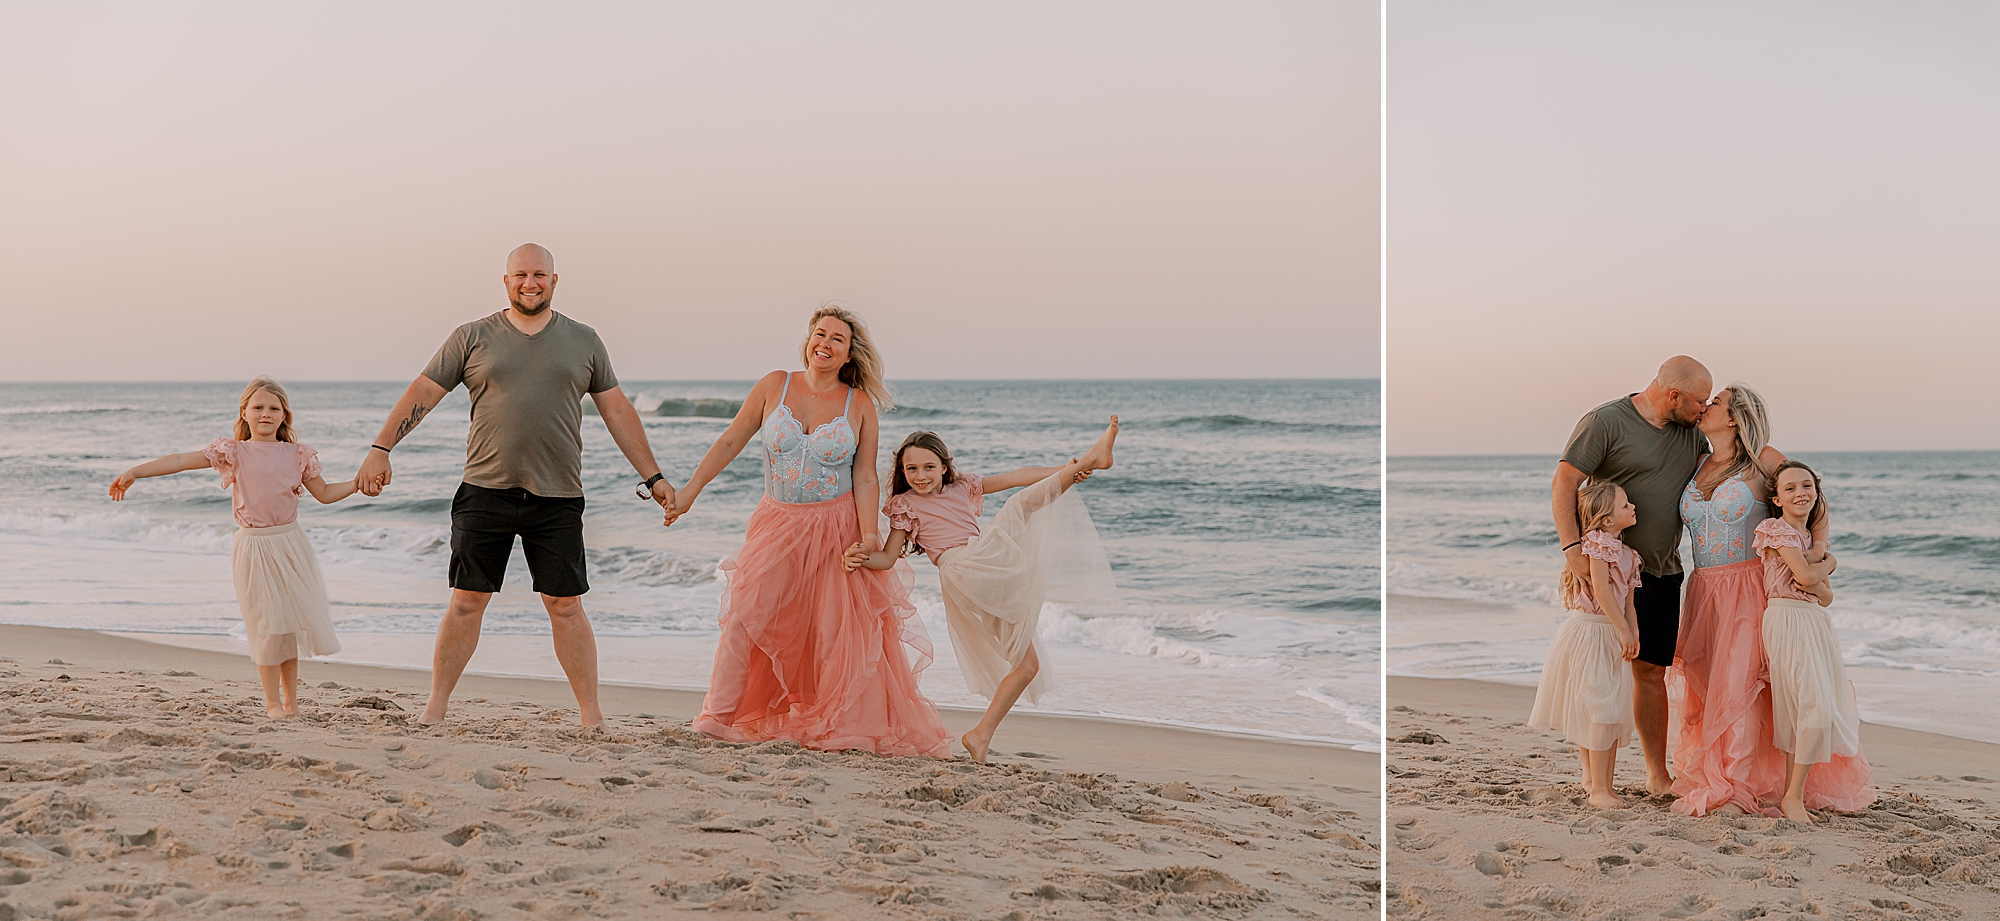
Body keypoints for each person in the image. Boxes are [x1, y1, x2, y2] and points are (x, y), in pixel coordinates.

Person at [355, 243, 675, 727]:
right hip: (485, 489)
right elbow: (423, 391)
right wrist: (382, 448)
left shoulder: (584, 340)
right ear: (506, 281)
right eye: (521, 274)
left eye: (540, 275)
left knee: (565, 605)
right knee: (466, 601)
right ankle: (435, 708)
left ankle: (592, 717)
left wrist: (653, 477)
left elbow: (617, 411)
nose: (531, 282)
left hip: (559, 495)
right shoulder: (472, 336)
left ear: (555, 280)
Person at [669, 306, 951, 757]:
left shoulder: (857, 405)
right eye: (820, 334)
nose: (825, 343)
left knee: (835, 630)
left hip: (836, 529)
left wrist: (869, 537)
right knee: (746, 616)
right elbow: (729, 441)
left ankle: (842, 725)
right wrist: (689, 493)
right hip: (776, 523)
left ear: (848, 354)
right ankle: (719, 717)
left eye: (837, 339)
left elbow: (865, 476)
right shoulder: (773, 385)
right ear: (808, 340)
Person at [844, 419, 1120, 761]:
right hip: (962, 568)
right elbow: (886, 558)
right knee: (1019, 509)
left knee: (1027, 666)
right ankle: (1093, 459)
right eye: (911, 468)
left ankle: (980, 735)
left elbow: (1017, 476)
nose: (921, 475)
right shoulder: (905, 504)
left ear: (944, 467)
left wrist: (1066, 470)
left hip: (981, 571)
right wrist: (859, 559)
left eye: (929, 467)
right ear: (901, 471)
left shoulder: (963, 487)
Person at [108, 378, 355, 718]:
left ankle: (292, 704)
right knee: (267, 624)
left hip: (291, 544)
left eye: (273, 408)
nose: (265, 413)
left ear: (285, 415)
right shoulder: (234, 451)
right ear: (244, 413)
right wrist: (135, 471)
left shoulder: (297, 455)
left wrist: (358, 484)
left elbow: (325, 494)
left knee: (288, 626)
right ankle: (271, 704)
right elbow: (180, 460)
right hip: (254, 547)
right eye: (258, 407)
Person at [1552, 355, 1710, 795]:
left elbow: (1730, 460)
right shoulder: (1606, 421)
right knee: (1599, 678)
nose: (1704, 408)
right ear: (1674, 395)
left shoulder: (1693, 434)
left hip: (1662, 570)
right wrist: (1572, 552)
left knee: (1650, 673)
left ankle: (1657, 776)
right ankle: (1595, 779)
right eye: (1698, 401)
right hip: (1609, 573)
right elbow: (1564, 481)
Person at [1667, 383, 1805, 816]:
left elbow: (1810, 496)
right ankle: (1714, 774)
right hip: (1703, 588)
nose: (1706, 406)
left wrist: (1816, 554)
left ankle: (1735, 786)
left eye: (1716, 402)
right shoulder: (1697, 461)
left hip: (1748, 588)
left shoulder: (1765, 460)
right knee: (1708, 686)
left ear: (1734, 418)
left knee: (1740, 686)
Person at [1755, 460, 1875, 821]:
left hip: (1815, 623)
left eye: (1807, 486)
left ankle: (1794, 797)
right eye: (1790, 488)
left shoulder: (1807, 539)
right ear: (1776, 498)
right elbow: (1808, 578)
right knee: (1815, 710)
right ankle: (1792, 798)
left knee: (1805, 710)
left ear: (1816, 491)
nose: (1800, 493)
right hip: (1788, 619)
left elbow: (1826, 597)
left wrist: (1818, 567)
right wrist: (1830, 562)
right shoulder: (1774, 530)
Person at [1529, 481, 1642, 809]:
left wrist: (1632, 633)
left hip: (1613, 634)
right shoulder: (1598, 544)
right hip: (1590, 633)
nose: (1633, 507)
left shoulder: (1630, 555)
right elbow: (1603, 593)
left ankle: (1596, 781)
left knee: (1607, 709)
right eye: (1625, 504)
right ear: (1607, 520)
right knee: (1598, 710)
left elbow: (1629, 603)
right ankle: (1598, 789)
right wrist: (1622, 629)